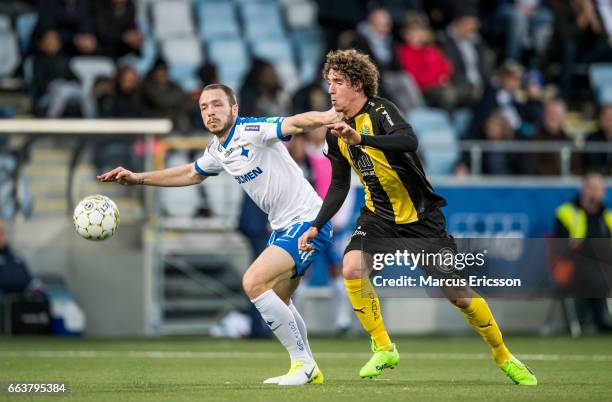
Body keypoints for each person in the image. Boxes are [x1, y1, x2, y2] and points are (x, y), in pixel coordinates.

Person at [298, 49, 537, 385]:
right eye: (329, 83)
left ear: (357, 84)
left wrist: (362, 138)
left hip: (422, 218)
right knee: (352, 267)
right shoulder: (333, 131)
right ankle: (383, 347)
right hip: (378, 216)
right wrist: (316, 224)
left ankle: (504, 355)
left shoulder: (381, 110)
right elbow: (338, 185)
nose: (331, 90)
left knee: (458, 294)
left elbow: (408, 141)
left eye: (337, 82)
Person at [98, 83, 343, 386]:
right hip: (283, 227)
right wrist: (138, 178)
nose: (210, 112)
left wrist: (329, 115)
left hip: (308, 220)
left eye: (217, 104)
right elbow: (191, 173)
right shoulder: (218, 150)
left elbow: (294, 122)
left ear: (234, 109)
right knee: (279, 299)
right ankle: (307, 367)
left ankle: (304, 366)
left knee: (253, 281)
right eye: (204, 107)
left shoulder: (253, 129)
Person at [553, 171, 612, 332]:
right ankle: (593, 320)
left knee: (600, 269)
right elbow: (562, 246)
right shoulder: (566, 212)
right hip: (573, 264)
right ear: (583, 189)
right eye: (591, 187)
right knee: (593, 270)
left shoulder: (607, 216)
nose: (595, 192)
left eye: (598, 188)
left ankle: (595, 320)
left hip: (602, 264)